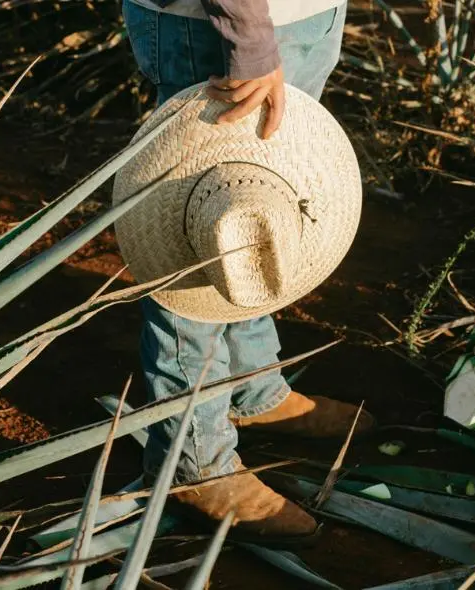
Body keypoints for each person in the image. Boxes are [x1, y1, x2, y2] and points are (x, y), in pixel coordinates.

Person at [120, 0, 374, 545]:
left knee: (262, 196)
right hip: (221, 24)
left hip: (294, 17)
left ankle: (250, 387)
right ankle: (192, 461)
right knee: (202, 227)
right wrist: (249, 40)